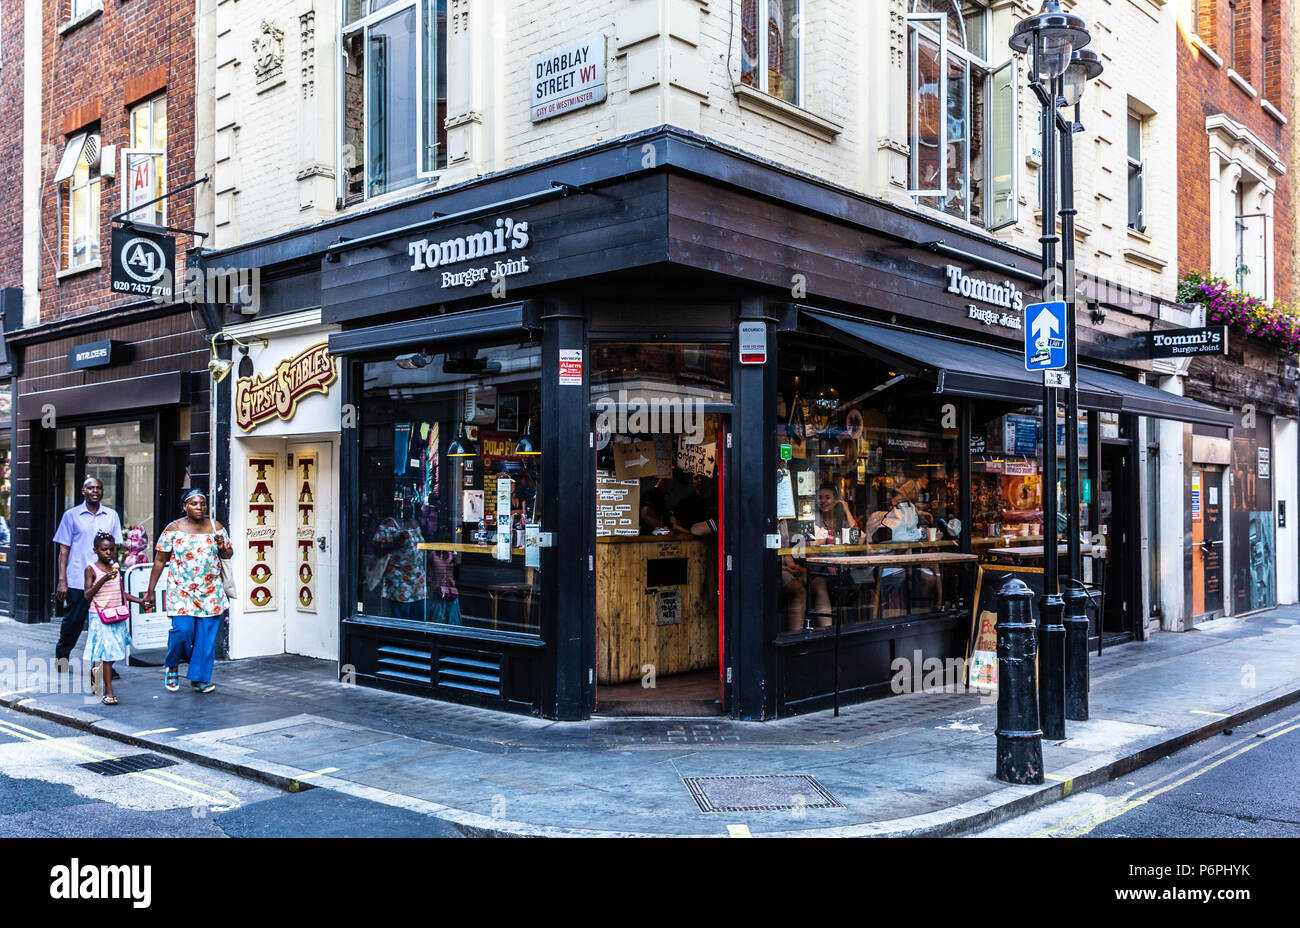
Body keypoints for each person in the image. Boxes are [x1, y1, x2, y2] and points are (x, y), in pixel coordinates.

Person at [145, 489, 233, 694]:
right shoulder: (173, 528)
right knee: (182, 631)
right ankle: (172, 665)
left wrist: (222, 546)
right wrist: (150, 591)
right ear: (184, 506)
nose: (199, 508)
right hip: (181, 589)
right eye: (194, 504)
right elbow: (160, 560)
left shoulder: (216, 527)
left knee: (205, 639)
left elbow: (228, 554)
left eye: (202, 504)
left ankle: (200, 678)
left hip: (211, 591)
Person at [53, 478, 123, 672]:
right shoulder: (71, 515)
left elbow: (115, 548)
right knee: (73, 621)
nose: (95, 491)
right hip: (77, 579)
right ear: (83, 491)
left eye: (99, 488)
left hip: (104, 580)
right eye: (91, 487)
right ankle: (62, 657)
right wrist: (62, 581)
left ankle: (102, 666)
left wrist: (115, 572)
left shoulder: (111, 515)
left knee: (104, 623)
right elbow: (64, 550)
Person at [83, 532, 146, 706]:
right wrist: (102, 580)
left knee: (109, 653)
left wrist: (140, 601)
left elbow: (121, 593)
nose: (109, 553)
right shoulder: (91, 569)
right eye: (104, 550)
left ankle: (96, 673)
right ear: (96, 550)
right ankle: (108, 691)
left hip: (116, 615)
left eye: (112, 549)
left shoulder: (116, 569)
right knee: (108, 655)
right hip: (100, 616)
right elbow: (87, 594)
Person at [372, 515, 427, 621]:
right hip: (399, 580)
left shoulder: (414, 523)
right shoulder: (389, 524)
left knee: (418, 621)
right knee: (401, 621)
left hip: (418, 581)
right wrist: (396, 542)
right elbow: (376, 549)